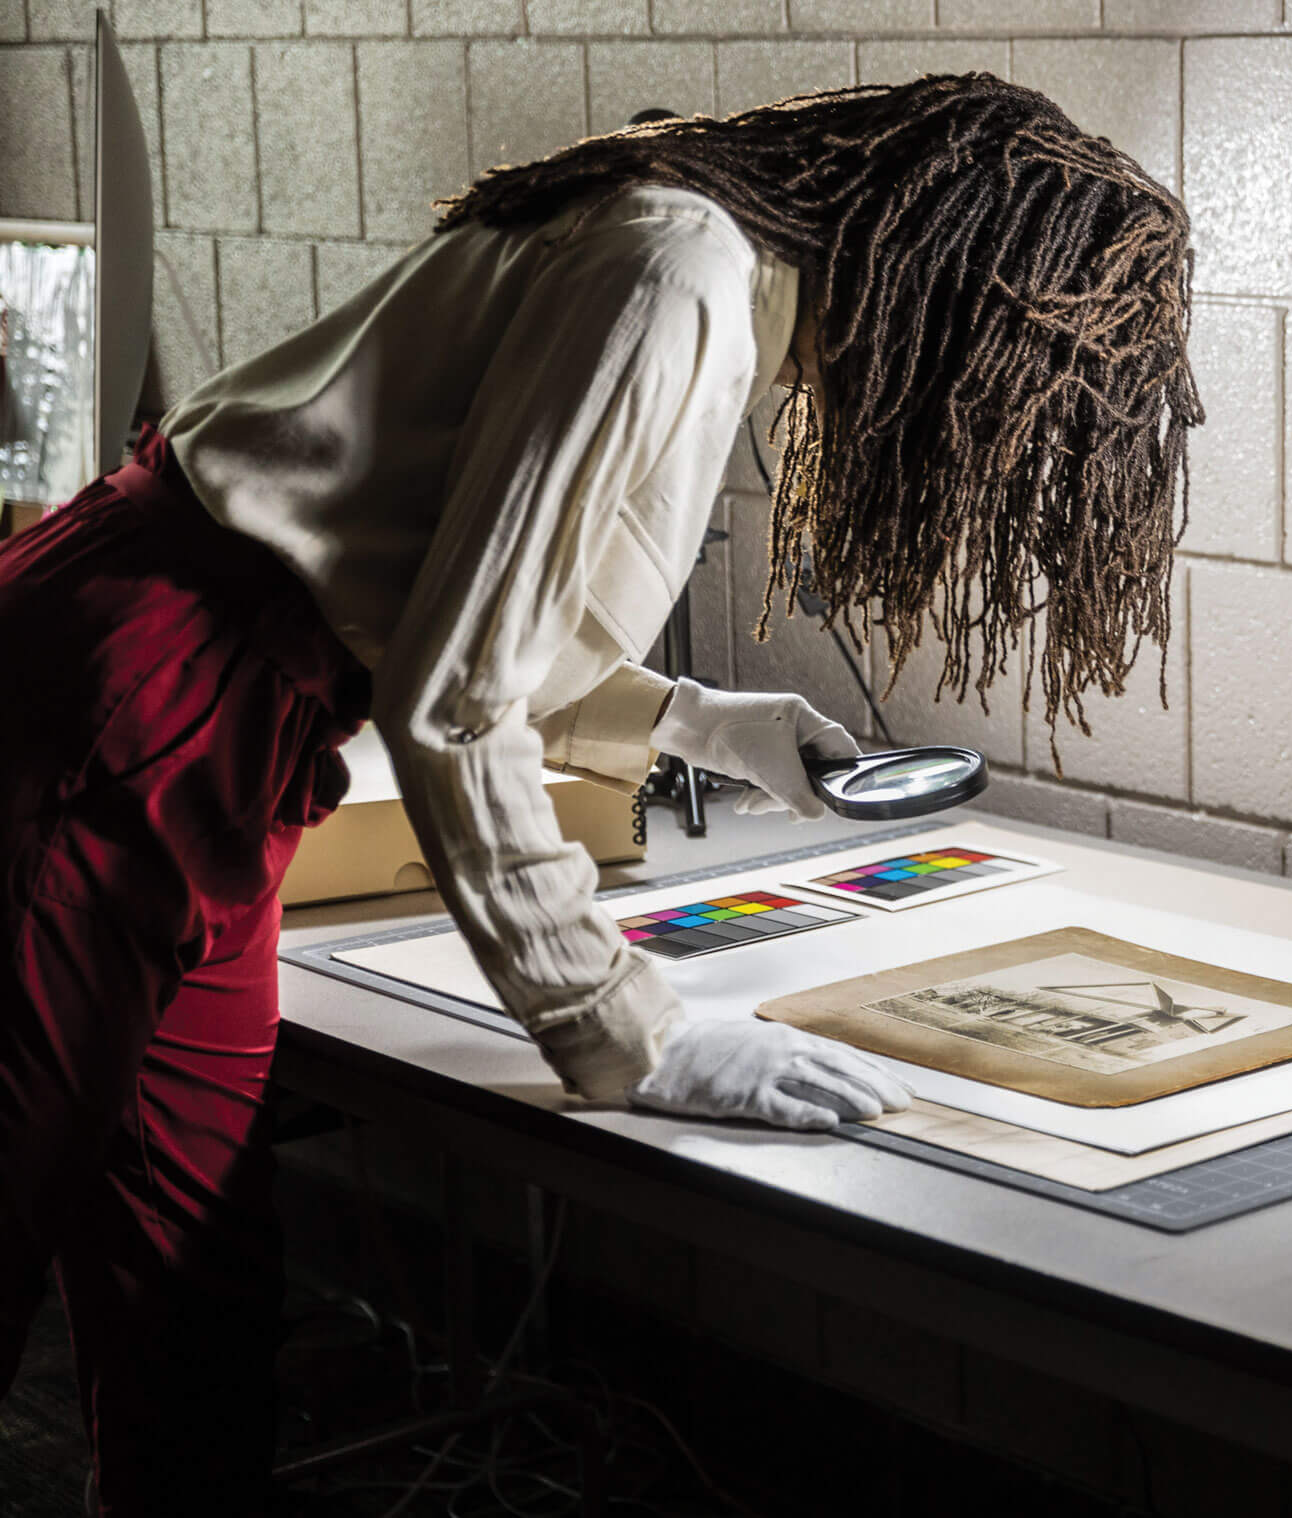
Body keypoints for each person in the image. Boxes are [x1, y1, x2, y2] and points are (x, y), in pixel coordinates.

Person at [0, 73, 1200, 1514]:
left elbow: (472, 611)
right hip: (115, 702)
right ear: (945, 284)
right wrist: (628, 1033)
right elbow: (454, 693)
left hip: (217, 724)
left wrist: (714, 724)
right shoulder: (677, 276)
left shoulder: (712, 275)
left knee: (194, 1332)